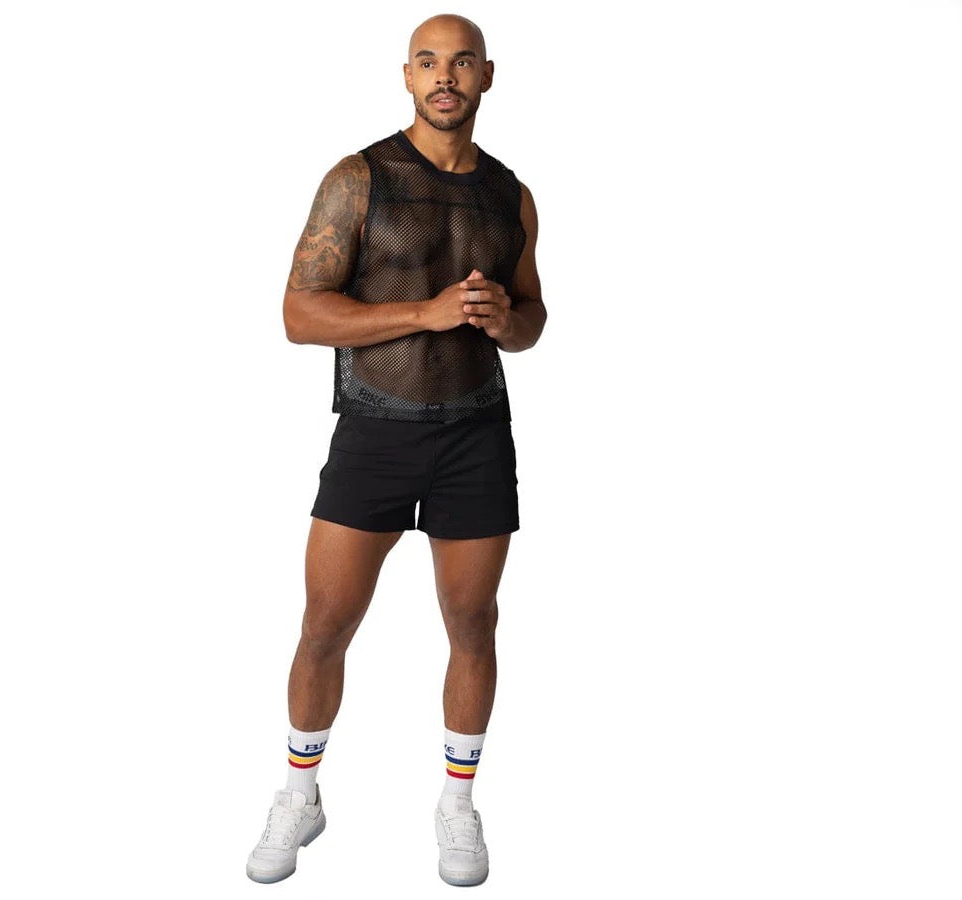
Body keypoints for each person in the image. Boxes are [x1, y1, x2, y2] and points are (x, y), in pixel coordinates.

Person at [246, 13, 546, 887]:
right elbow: (299, 313)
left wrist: (506, 320)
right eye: (428, 62)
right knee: (325, 626)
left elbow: (532, 317)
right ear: (407, 76)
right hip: (375, 431)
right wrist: (426, 312)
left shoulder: (512, 195)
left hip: (476, 434)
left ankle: (457, 803)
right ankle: (299, 795)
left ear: (487, 76)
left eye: (461, 62)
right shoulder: (359, 178)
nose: (444, 76)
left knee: (473, 622)